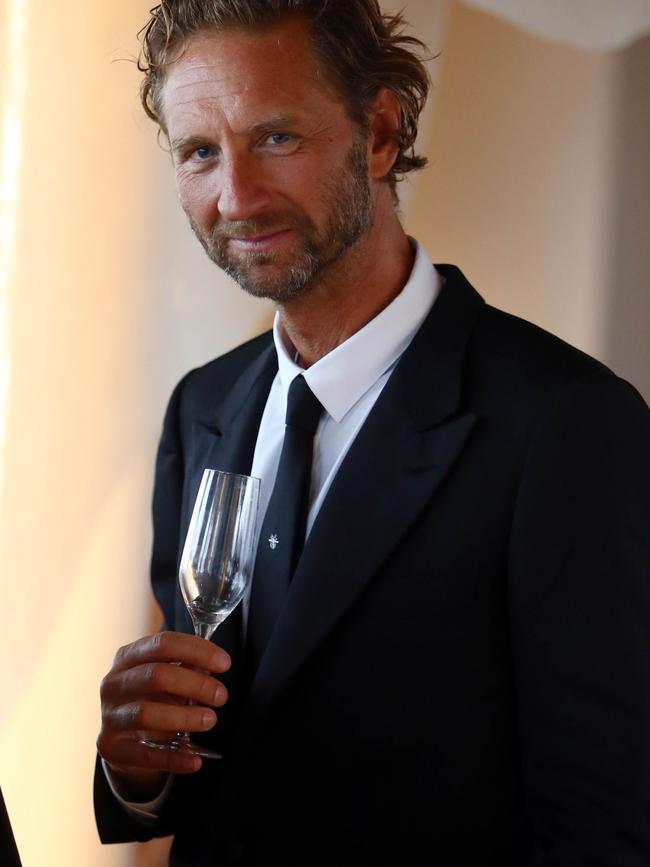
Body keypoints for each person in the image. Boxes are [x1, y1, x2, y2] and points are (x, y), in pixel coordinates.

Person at [94, 1, 650, 865]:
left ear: (382, 131)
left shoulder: (566, 423)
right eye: (200, 152)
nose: (234, 197)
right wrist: (139, 771)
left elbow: (606, 828)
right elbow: (207, 766)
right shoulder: (198, 409)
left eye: (277, 137)